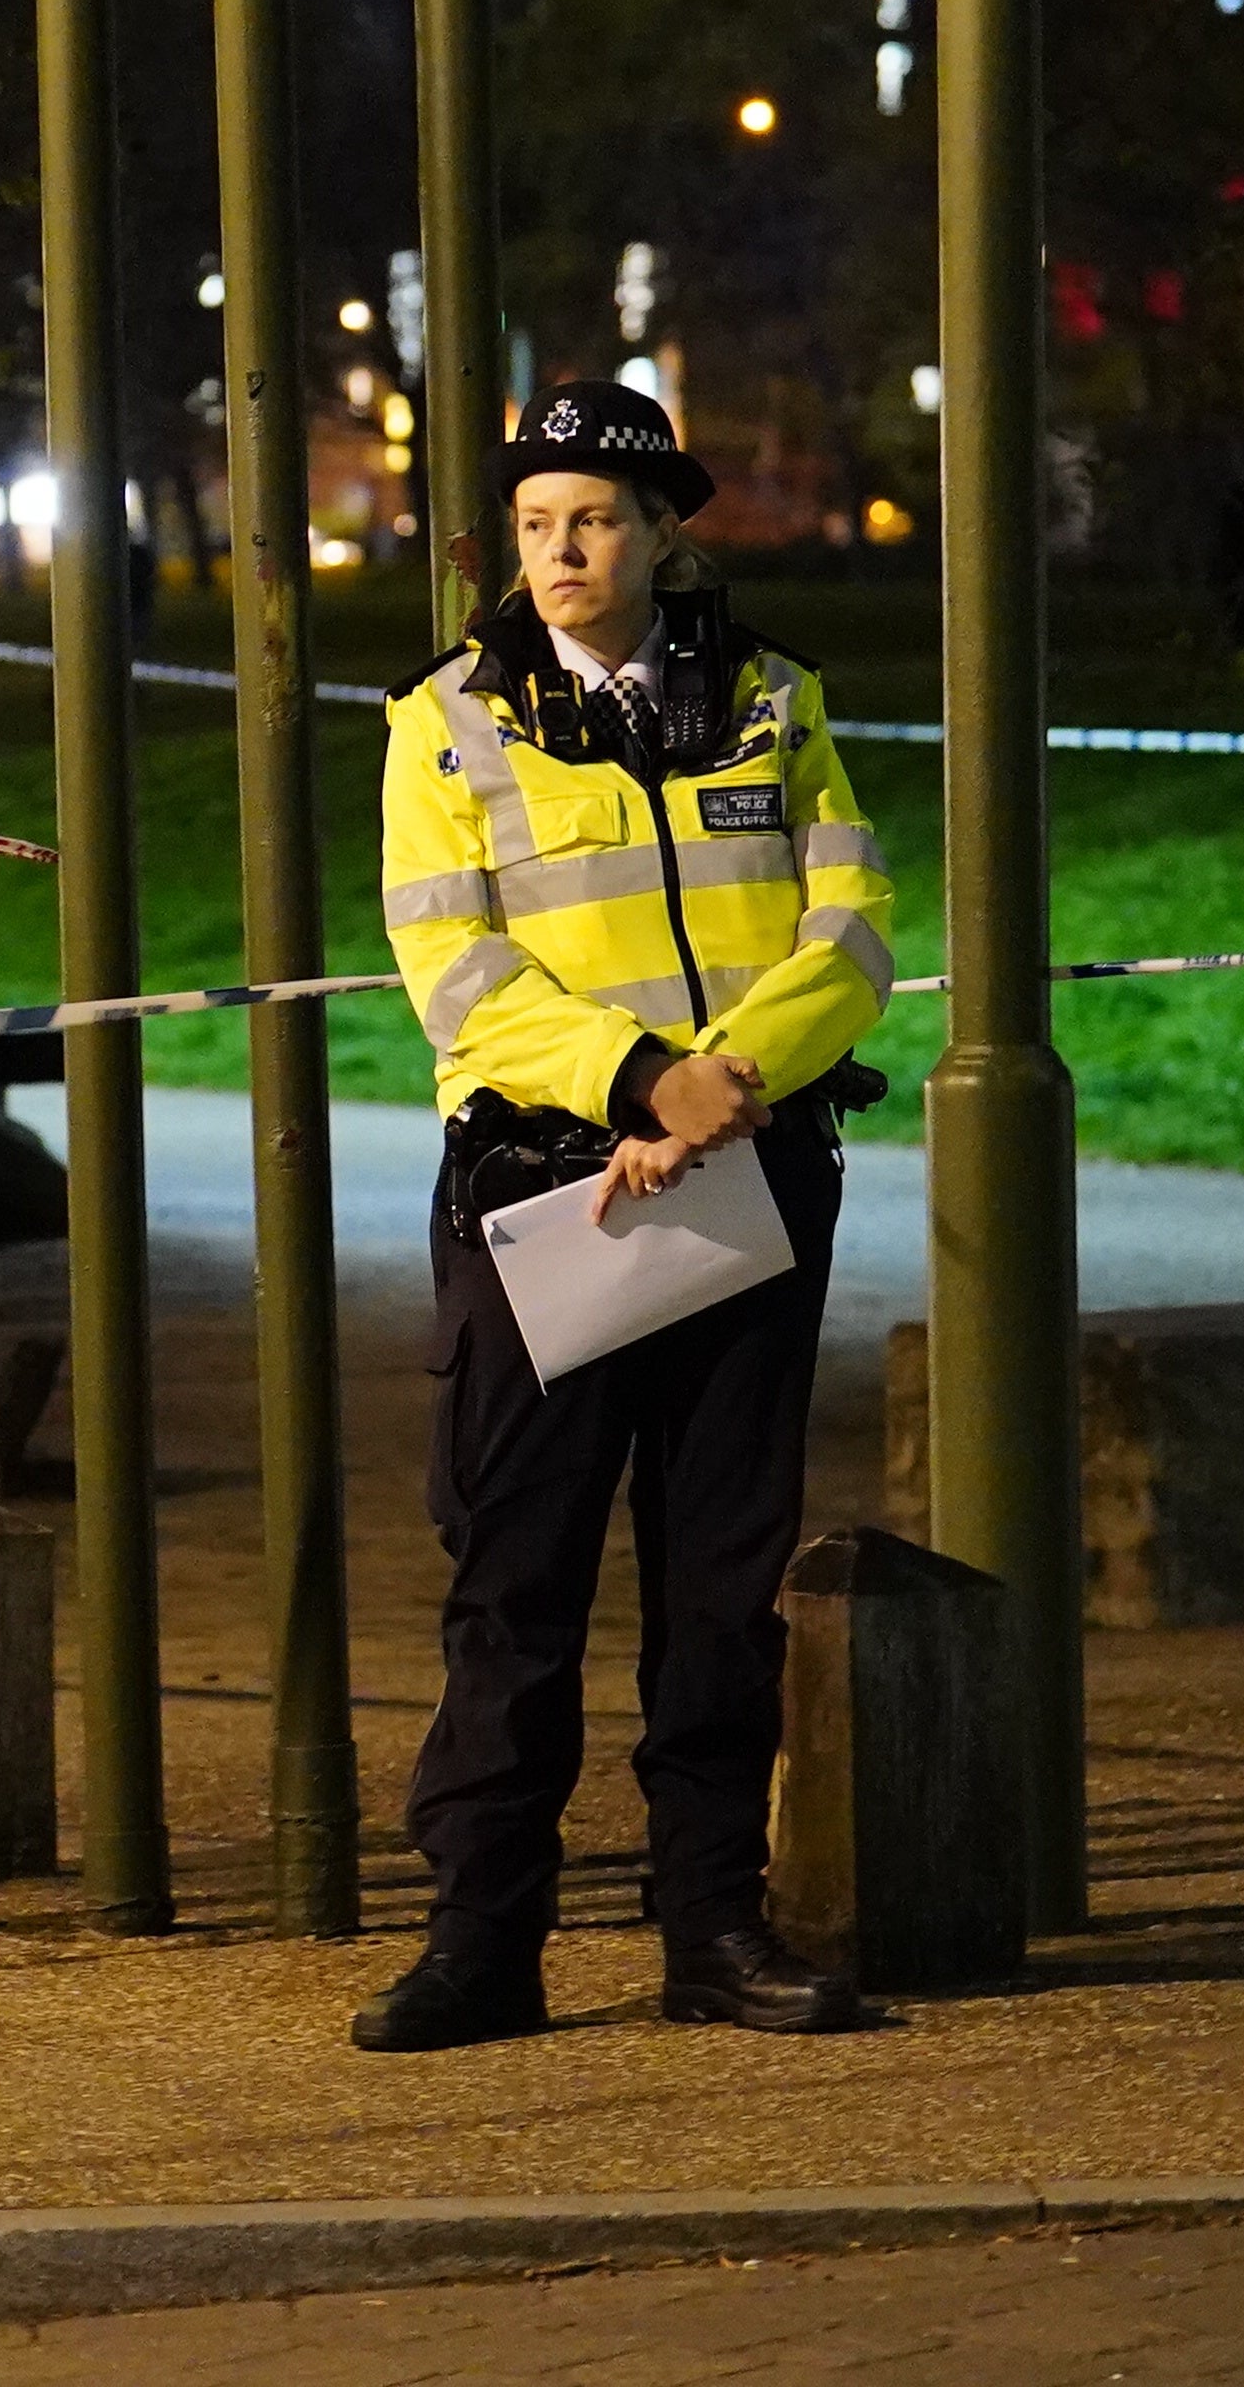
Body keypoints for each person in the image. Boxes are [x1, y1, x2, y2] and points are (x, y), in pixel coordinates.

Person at [357, 379, 897, 2052]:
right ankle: (483, 1946)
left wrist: (726, 1083)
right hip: (548, 1200)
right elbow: (455, 978)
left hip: (739, 1180)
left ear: (667, 530)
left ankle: (712, 1931)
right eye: (532, 525)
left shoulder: (773, 702)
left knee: (719, 1581)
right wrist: (642, 1077)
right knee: (515, 1582)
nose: (559, 549)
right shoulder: (444, 725)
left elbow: (854, 937)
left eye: (591, 517)